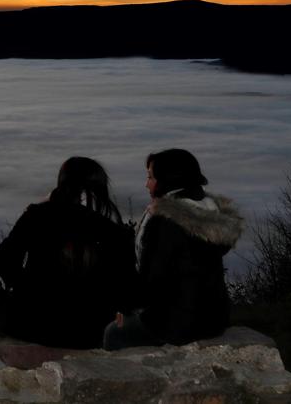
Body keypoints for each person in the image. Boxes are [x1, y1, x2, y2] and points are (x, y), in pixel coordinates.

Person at [104, 148, 245, 350]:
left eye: (151, 177)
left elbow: (153, 281)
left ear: (168, 180)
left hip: (178, 323)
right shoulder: (207, 210)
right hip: (214, 317)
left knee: (113, 332)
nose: (147, 184)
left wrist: (123, 308)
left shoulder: (167, 221)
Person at [0, 157, 137, 349]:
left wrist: (27, 290)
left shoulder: (36, 216)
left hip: (32, 326)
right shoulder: (109, 229)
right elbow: (126, 282)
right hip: (88, 331)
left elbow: (4, 257)